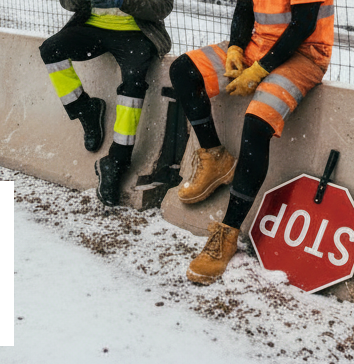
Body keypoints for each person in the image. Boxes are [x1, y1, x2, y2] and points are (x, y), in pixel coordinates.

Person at [168, 0, 334, 284]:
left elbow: (302, 26)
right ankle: (215, 156)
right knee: (183, 71)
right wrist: (235, 47)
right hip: (258, 45)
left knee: (257, 124)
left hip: (303, 55)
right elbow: (244, 8)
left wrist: (259, 69)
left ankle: (228, 232)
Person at [39, 0, 173, 206]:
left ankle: (116, 161)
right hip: (91, 29)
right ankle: (85, 110)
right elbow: (68, 3)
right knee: (51, 50)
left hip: (136, 34)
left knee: (134, 82)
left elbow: (162, 8)